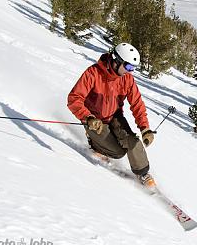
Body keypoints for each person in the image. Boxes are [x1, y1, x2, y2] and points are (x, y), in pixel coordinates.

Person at [67, 42, 156, 189]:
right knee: (118, 152)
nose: (130, 71)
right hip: (94, 120)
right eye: (128, 67)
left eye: (133, 68)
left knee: (133, 142)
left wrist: (145, 128)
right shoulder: (93, 73)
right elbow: (74, 99)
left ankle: (143, 173)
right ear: (117, 61)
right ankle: (95, 144)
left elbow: (137, 104)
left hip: (114, 116)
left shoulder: (127, 79)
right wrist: (87, 118)